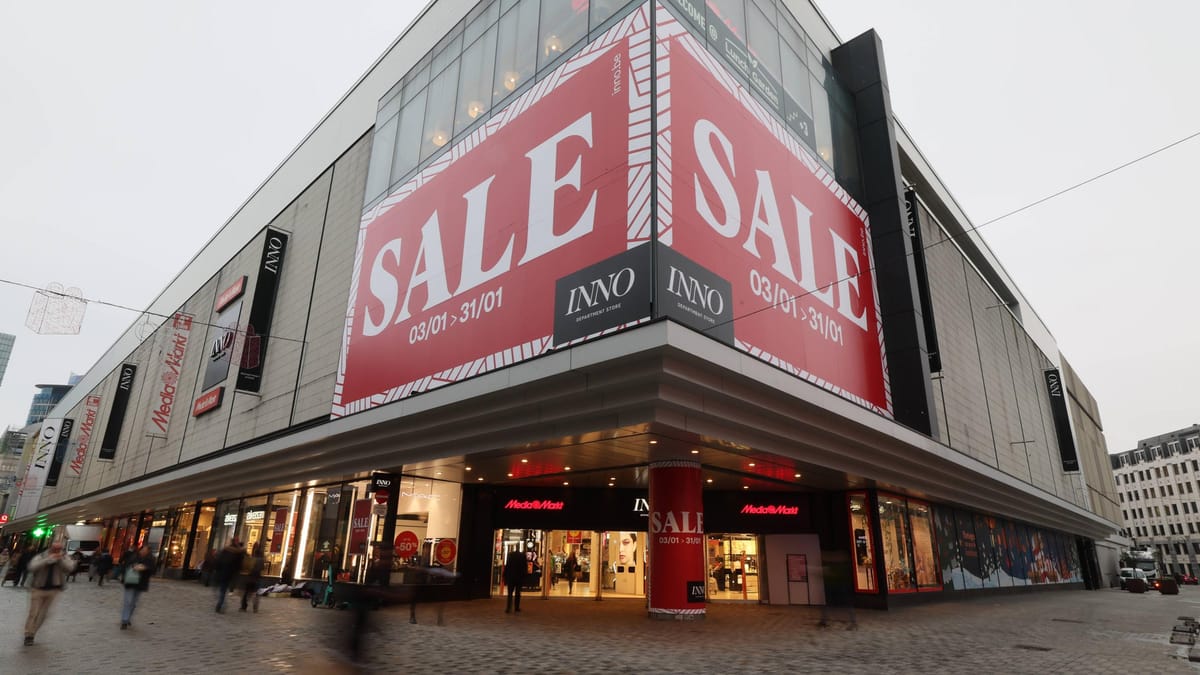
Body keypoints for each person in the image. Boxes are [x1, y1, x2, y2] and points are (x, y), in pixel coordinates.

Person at [23, 541, 77, 646]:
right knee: (33, 613)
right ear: (51, 548)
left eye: (59, 549)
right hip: (38, 588)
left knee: (43, 614)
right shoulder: (42, 555)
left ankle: (32, 633)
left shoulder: (63, 557)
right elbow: (32, 567)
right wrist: (48, 560)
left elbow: (70, 568)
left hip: (53, 590)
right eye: (55, 549)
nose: (57, 551)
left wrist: (60, 559)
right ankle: (28, 634)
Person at [818, 551, 857, 630]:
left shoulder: (839, 567)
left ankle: (853, 622)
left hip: (839, 587)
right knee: (829, 605)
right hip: (837, 587)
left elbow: (834, 576)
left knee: (845, 605)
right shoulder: (839, 566)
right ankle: (823, 620)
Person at [120, 544, 156, 629]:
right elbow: (126, 566)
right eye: (143, 549)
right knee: (128, 602)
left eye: (146, 550)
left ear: (148, 552)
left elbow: (153, 570)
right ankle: (124, 621)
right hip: (130, 582)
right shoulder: (133, 557)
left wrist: (145, 568)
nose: (144, 551)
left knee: (133, 603)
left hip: (140, 584)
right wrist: (134, 567)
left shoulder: (150, 560)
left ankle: (128, 618)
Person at [213, 538, 246, 613]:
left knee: (222, 590)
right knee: (223, 590)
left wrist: (216, 569)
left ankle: (220, 604)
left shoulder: (225, 550)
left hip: (221, 573)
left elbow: (218, 561)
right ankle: (221, 604)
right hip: (229, 574)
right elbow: (239, 565)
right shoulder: (238, 552)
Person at [240, 543, 265, 613]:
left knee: (246, 592)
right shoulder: (261, 560)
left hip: (251, 577)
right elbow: (262, 568)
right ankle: (255, 607)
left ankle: (243, 607)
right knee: (256, 593)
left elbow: (248, 567)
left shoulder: (252, 559)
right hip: (258, 577)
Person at [503, 548, 527, 614]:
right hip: (519, 577)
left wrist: (504, 575)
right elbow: (525, 567)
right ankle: (516, 607)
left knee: (510, 593)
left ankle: (508, 608)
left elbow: (507, 566)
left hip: (511, 577)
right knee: (518, 593)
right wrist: (524, 577)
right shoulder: (522, 556)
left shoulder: (510, 556)